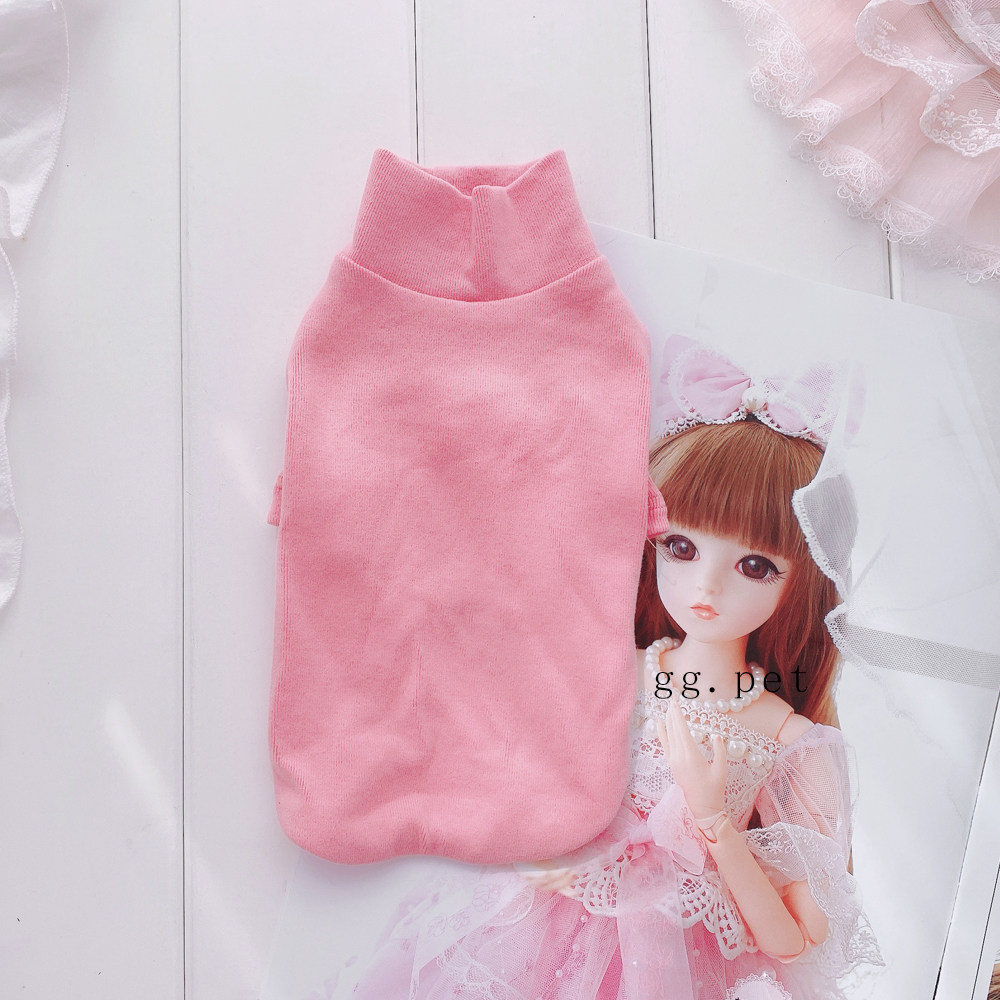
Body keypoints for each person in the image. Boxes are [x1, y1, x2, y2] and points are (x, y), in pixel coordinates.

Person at [339, 342, 882, 1000]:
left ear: (804, 582)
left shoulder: (791, 742)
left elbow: (799, 939)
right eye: (680, 546)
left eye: (755, 566)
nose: (706, 585)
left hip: (667, 970)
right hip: (528, 933)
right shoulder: (609, 672)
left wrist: (714, 824)